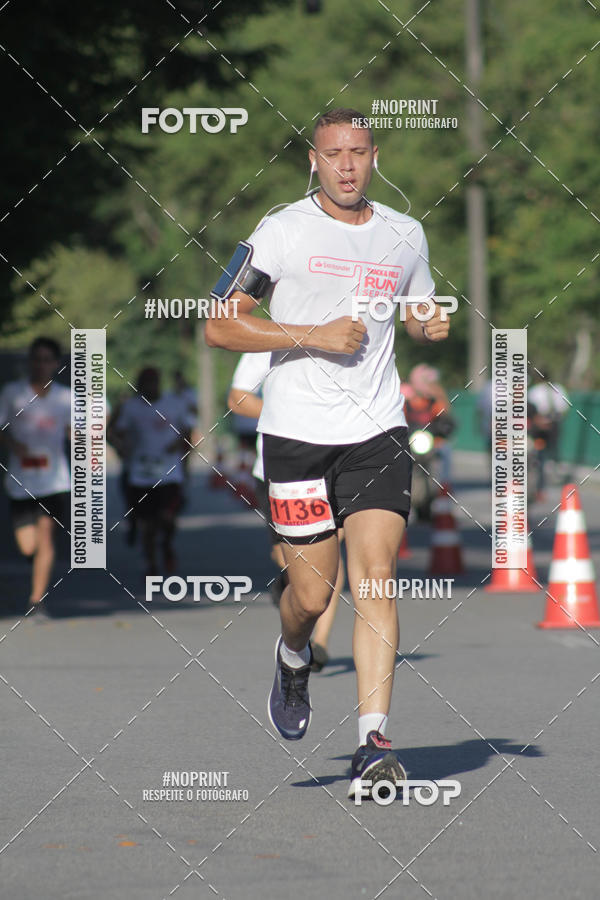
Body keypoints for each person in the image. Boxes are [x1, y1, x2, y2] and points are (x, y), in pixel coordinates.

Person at [206, 107, 451, 799]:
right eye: (333, 153)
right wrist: (312, 334)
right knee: (312, 595)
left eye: (359, 152)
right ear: (312, 160)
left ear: (376, 157)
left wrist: (429, 323)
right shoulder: (281, 230)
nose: (347, 165)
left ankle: (373, 742)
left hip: (377, 431)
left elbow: (418, 309)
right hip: (296, 435)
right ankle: (292, 654)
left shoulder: (405, 233)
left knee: (376, 577)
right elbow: (220, 327)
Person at [228, 351, 344, 671]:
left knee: (333, 547)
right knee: (289, 560)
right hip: (281, 468)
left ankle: (319, 642)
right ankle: (295, 609)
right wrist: (293, 415)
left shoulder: (347, 337)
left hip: (337, 465)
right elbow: (238, 399)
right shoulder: (266, 341)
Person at [0, 337, 70, 618]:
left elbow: (77, 430)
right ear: (30, 362)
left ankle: (37, 599)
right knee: (28, 545)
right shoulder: (12, 393)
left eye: (47, 360)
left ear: (55, 364)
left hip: (55, 480)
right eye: (37, 359)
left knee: (46, 535)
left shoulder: (66, 398)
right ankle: (36, 564)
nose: (41, 365)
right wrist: (13, 444)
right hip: (21, 481)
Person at [108, 367, 190, 576]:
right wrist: (121, 448)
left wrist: (179, 445)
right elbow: (114, 432)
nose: (151, 387)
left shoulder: (174, 403)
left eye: (154, 382)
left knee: (167, 518)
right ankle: (151, 564)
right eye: (146, 383)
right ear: (140, 386)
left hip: (169, 473)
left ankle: (167, 544)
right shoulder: (131, 407)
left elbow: (187, 431)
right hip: (140, 474)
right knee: (148, 524)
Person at [528, 373, 570, 496]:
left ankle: (551, 471)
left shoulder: (538, 390)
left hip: (549, 423)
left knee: (550, 449)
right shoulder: (556, 389)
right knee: (543, 450)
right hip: (545, 423)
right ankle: (545, 471)